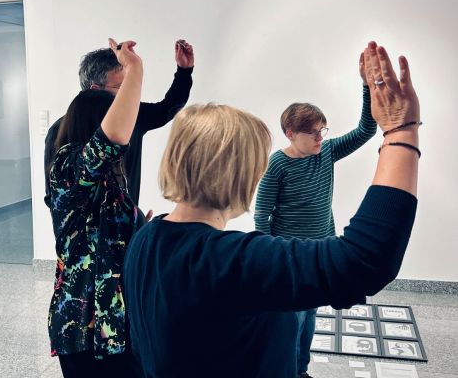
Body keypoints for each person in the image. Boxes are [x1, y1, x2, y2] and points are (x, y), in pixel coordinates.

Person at [123, 41, 420, 377]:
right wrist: (401, 132)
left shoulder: (143, 239)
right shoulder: (238, 263)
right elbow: (365, 262)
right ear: (241, 174)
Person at [253, 55, 378, 378]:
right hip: (290, 257)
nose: (321, 138)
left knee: (309, 318)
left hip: (319, 252)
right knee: (290, 320)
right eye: (313, 133)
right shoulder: (277, 165)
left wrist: (366, 86)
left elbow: (366, 130)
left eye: (323, 131)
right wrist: (269, 255)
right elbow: (262, 214)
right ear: (290, 133)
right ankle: (285, 371)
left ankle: (301, 370)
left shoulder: (327, 152)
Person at [47, 38, 145, 377]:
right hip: (83, 321)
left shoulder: (109, 178)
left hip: (116, 317)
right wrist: (135, 69)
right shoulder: (68, 165)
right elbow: (110, 141)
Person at [44, 40, 194, 205]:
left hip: (130, 221)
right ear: (95, 90)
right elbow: (52, 195)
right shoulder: (59, 130)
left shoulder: (133, 115)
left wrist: (184, 71)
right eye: (122, 87)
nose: (129, 93)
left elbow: (167, 108)